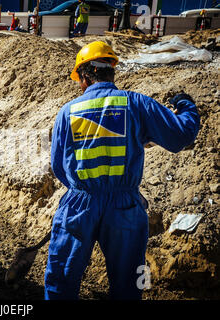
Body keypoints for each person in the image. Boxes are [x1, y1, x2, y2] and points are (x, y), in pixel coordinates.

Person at [45, 41, 199, 300]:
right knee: (131, 282)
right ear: (111, 72)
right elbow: (180, 136)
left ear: (83, 76)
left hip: (79, 204)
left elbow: (59, 166)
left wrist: (83, 188)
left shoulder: (67, 112)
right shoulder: (136, 104)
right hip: (126, 206)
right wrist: (186, 105)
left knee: (61, 278)